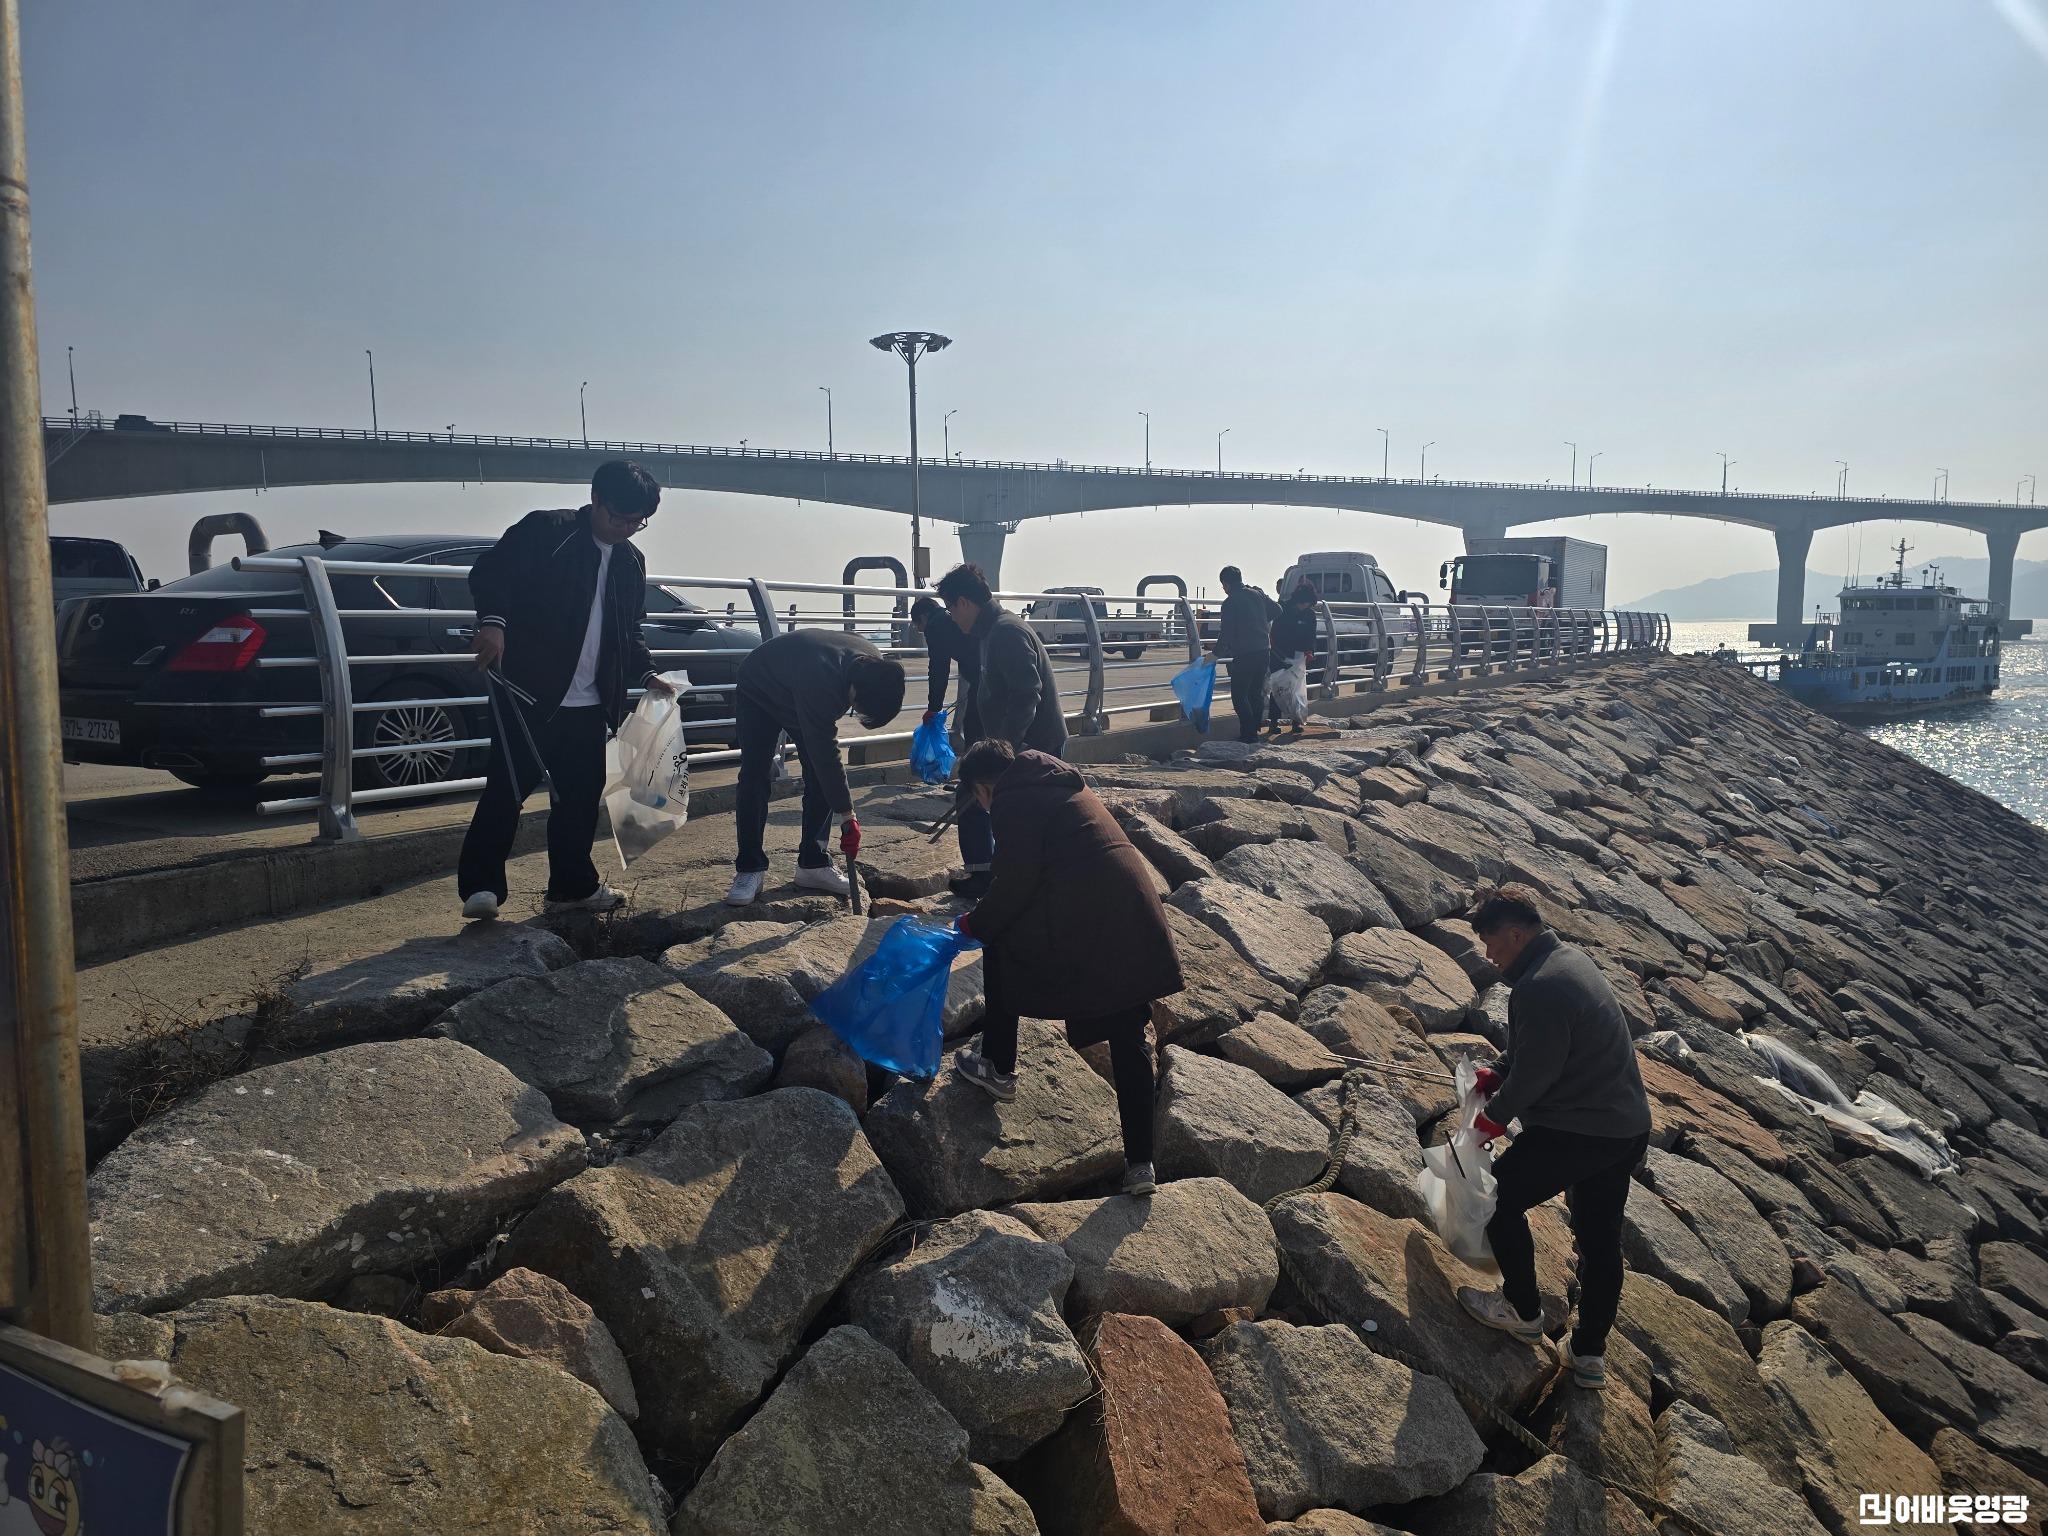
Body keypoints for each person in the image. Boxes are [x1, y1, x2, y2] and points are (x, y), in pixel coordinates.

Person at [948, 739, 1183, 1195]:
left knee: (999, 942)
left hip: (1090, 919)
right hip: (1135, 913)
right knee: (1129, 1030)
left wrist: (974, 924)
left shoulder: (1011, 800)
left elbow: (1015, 882)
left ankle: (997, 1066)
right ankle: (1141, 1165)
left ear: (982, 789)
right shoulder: (1058, 783)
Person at [1454, 885, 1652, 1391]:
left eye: (1492, 942)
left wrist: (1490, 1120)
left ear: (1516, 934)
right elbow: (1537, 1051)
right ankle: (1588, 1355)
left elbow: (1536, 1075)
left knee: (1497, 1199)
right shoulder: (1567, 961)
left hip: (1583, 1131)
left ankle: (1522, 1311)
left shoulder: (1539, 986)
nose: (1489, 954)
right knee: (1600, 1241)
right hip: (1626, 1127)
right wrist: (1497, 1071)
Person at [458, 460, 675, 921]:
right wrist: (494, 622)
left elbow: (629, 629)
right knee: (507, 788)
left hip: (590, 700)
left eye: (637, 522)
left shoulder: (631, 561)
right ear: (595, 500)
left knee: (579, 798)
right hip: (526, 690)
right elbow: (491, 574)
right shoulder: (546, 530)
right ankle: (482, 887)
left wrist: (646, 674)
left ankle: (571, 888)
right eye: (619, 518)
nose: (626, 529)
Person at [723, 627, 905, 905]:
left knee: (820, 778)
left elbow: (824, 761)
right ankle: (750, 868)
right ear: (854, 691)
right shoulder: (823, 684)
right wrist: (848, 813)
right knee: (754, 775)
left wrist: (846, 812)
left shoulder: (875, 665)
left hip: (798, 685)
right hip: (759, 687)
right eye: (856, 708)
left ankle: (813, 863)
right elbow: (827, 756)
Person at [933, 562, 1067, 898]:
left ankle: (1010, 880)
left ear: (964, 602)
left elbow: (1027, 694)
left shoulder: (1006, 632)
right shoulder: (991, 631)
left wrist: (1004, 750)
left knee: (1006, 806)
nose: (952, 617)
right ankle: (989, 873)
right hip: (1015, 741)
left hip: (1033, 744)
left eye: (951, 608)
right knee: (973, 793)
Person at [1210, 565, 1277, 743]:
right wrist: (1260, 618)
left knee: (1239, 695)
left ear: (1226, 584)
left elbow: (1226, 632)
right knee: (1255, 692)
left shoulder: (1230, 602)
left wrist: (1215, 654)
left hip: (1245, 653)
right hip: (1264, 650)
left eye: (1223, 586)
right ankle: (1254, 730)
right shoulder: (1257, 594)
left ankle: (1248, 734)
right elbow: (1277, 610)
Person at [1265, 580, 1320, 736]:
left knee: (1297, 690)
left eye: (1307, 604)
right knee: (1278, 688)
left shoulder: (1310, 615)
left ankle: (1296, 721)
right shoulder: (1283, 610)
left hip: (1299, 656)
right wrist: (1277, 652)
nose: (1304, 606)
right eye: (1302, 603)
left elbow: (1311, 636)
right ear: (1296, 600)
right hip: (1279, 654)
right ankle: (1273, 722)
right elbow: (1274, 634)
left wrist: (1310, 651)